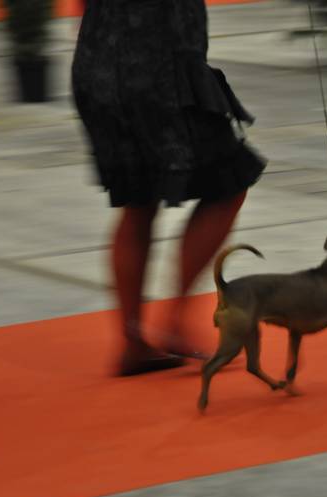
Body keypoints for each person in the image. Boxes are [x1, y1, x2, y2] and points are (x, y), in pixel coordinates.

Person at [72, 0, 266, 376]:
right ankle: (175, 320)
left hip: (96, 68)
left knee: (138, 202)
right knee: (229, 183)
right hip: (162, 71)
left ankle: (133, 343)